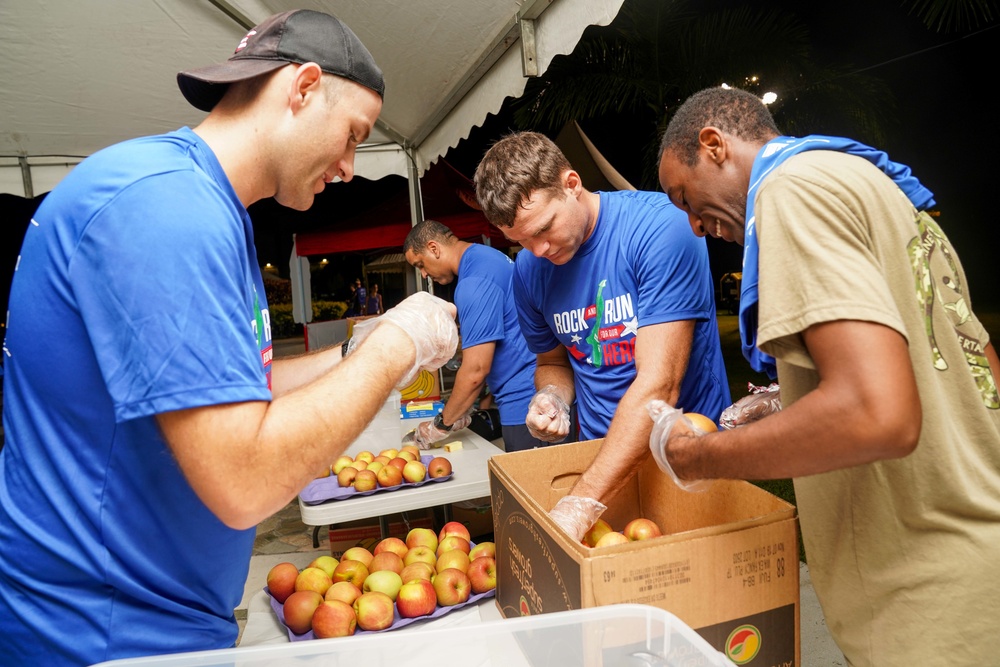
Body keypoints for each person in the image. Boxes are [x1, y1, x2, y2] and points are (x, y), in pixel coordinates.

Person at [0, 10, 458, 666]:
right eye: (353, 134)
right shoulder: (169, 209)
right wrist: (397, 348)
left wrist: (360, 342)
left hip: (151, 615)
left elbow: (237, 385)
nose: (352, 167)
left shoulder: (202, 203)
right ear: (300, 88)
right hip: (98, 630)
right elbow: (244, 478)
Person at [655, 86, 1000, 666]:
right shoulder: (880, 190)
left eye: (684, 197)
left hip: (926, 602)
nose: (693, 225)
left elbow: (877, 415)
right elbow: (979, 365)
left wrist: (699, 457)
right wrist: (794, 400)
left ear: (713, 146)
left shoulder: (790, 191)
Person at [473, 131, 731, 539]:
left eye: (544, 229)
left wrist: (579, 505)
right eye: (521, 241)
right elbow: (553, 361)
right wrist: (552, 396)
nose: (538, 251)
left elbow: (659, 385)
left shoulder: (659, 228)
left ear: (572, 185)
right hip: (600, 459)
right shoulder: (527, 270)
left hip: (688, 457)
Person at [404, 219, 556, 451]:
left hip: (527, 406)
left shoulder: (473, 282)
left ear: (434, 248)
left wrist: (441, 425)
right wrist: (461, 409)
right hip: (541, 395)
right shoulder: (487, 257)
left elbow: (476, 370)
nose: (423, 274)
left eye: (420, 264)